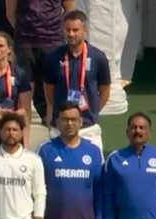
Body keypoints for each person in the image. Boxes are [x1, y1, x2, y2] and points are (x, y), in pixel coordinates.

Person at [42, 10, 110, 151]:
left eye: (75, 30)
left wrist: (93, 111)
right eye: (68, 30)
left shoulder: (98, 57)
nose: (71, 34)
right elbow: (49, 92)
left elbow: (104, 92)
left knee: (94, 170)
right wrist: (62, 113)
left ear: (85, 31)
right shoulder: (53, 57)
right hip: (59, 127)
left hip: (88, 127)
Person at [8, 0, 74, 122]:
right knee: (24, 94)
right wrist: (23, 30)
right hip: (25, 43)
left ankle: (52, 134)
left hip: (53, 41)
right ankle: (23, 139)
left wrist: (57, 29)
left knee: (52, 93)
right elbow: (10, 12)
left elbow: (70, 10)